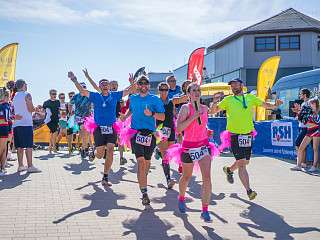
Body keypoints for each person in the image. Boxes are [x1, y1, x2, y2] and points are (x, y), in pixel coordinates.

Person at [211, 78, 282, 200]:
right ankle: (249, 191)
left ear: (241, 85)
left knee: (244, 162)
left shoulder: (250, 98)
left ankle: (229, 170)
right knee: (242, 164)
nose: (233, 87)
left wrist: (275, 105)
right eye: (232, 85)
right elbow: (213, 111)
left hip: (248, 134)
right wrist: (214, 104)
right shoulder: (228, 99)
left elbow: (265, 105)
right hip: (234, 135)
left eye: (235, 84)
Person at [68, 71, 135, 186]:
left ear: (109, 86)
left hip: (111, 127)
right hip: (99, 128)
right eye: (102, 84)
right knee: (99, 155)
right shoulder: (95, 96)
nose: (105, 85)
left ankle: (105, 176)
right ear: (99, 87)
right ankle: (94, 152)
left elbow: (129, 90)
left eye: (106, 84)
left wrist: (132, 82)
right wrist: (74, 79)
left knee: (109, 150)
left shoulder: (114, 95)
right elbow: (82, 91)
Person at [123, 75, 165, 206]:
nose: (143, 85)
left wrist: (151, 114)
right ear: (138, 85)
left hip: (150, 135)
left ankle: (142, 181)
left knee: (146, 164)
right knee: (141, 162)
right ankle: (144, 193)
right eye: (140, 83)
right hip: (136, 133)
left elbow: (162, 117)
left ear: (148, 85)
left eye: (145, 83)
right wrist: (125, 116)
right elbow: (131, 109)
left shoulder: (155, 99)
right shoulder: (133, 98)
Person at [12, 79, 41, 173]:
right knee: (29, 146)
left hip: (17, 124)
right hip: (26, 123)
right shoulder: (27, 94)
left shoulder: (15, 96)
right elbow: (30, 109)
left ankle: (20, 165)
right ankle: (30, 166)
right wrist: (35, 109)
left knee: (19, 146)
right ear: (24, 85)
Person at [156, 82, 176, 189]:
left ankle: (158, 151)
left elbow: (173, 114)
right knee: (165, 155)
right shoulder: (155, 101)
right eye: (162, 89)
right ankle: (168, 179)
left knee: (170, 153)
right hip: (160, 130)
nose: (164, 92)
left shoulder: (171, 102)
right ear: (159, 90)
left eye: (166, 90)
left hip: (171, 129)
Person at [295, 97, 319, 172]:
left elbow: (316, 123)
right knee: (301, 147)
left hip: (317, 131)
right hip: (309, 131)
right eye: (310, 103)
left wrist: (310, 123)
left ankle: (314, 166)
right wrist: (299, 113)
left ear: (315, 104)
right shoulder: (309, 111)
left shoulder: (318, 112)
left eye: (312, 103)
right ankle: (298, 165)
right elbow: (305, 121)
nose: (310, 105)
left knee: (315, 149)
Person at [69, 83, 92, 158]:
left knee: (87, 134)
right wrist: (70, 111)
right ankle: (84, 149)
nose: (83, 89)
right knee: (83, 131)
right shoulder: (75, 96)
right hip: (79, 117)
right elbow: (70, 103)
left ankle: (84, 148)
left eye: (84, 87)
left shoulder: (89, 95)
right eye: (82, 87)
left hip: (88, 117)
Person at [291, 88, 311, 170]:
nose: (300, 95)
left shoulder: (308, 103)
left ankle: (299, 164)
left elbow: (306, 115)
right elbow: (302, 115)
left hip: (306, 127)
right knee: (303, 146)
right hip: (302, 127)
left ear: (305, 95)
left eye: (301, 94)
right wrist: (298, 112)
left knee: (297, 144)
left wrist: (298, 113)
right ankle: (303, 163)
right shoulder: (304, 103)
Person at [43, 89, 60, 154]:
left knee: (53, 134)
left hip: (56, 120)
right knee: (55, 132)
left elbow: (59, 110)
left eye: (55, 94)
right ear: (50, 94)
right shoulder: (46, 102)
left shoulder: (58, 102)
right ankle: (54, 148)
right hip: (49, 120)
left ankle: (50, 148)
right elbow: (45, 111)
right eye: (53, 94)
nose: (54, 95)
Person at [0, 89, 10, 175]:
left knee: (4, 149)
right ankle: (2, 168)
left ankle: (2, 168)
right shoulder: (5, 105)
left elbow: (7, 118)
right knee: (2, 149)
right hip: (3, 128)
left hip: (4, 128)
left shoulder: (6, 105)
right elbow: (6, 118)